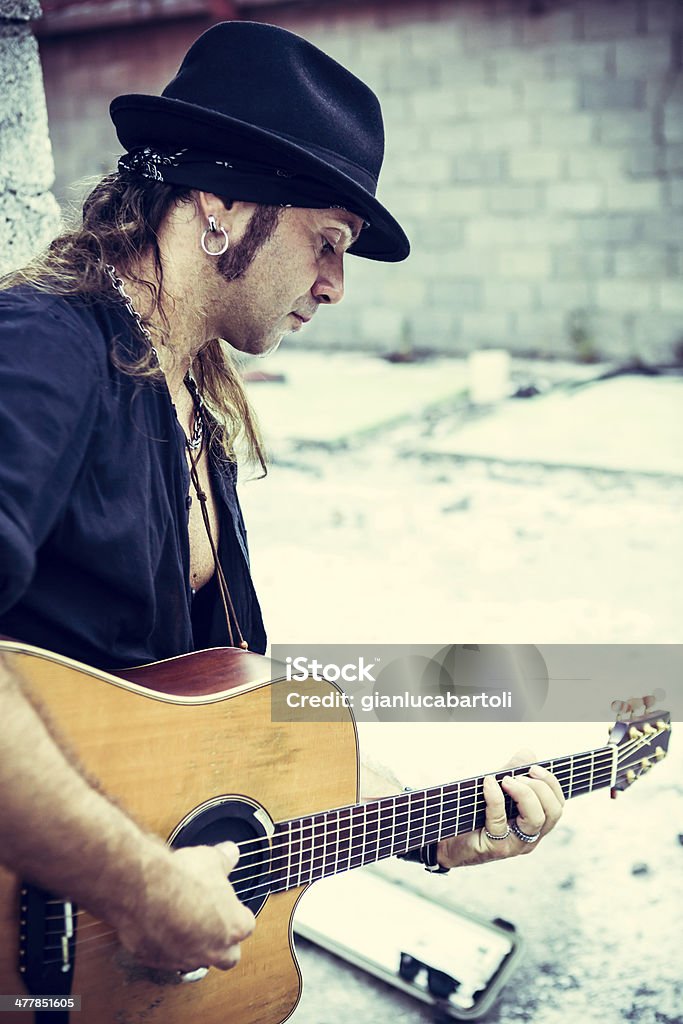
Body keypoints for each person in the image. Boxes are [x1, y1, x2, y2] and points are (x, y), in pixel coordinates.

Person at [0, 21, 565, 979]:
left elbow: (227, 726)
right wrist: (138, 884)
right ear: (218, 204)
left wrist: (431, 826)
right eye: (328, 241)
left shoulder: (192, 406)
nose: (337, 285)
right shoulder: (43, 350)